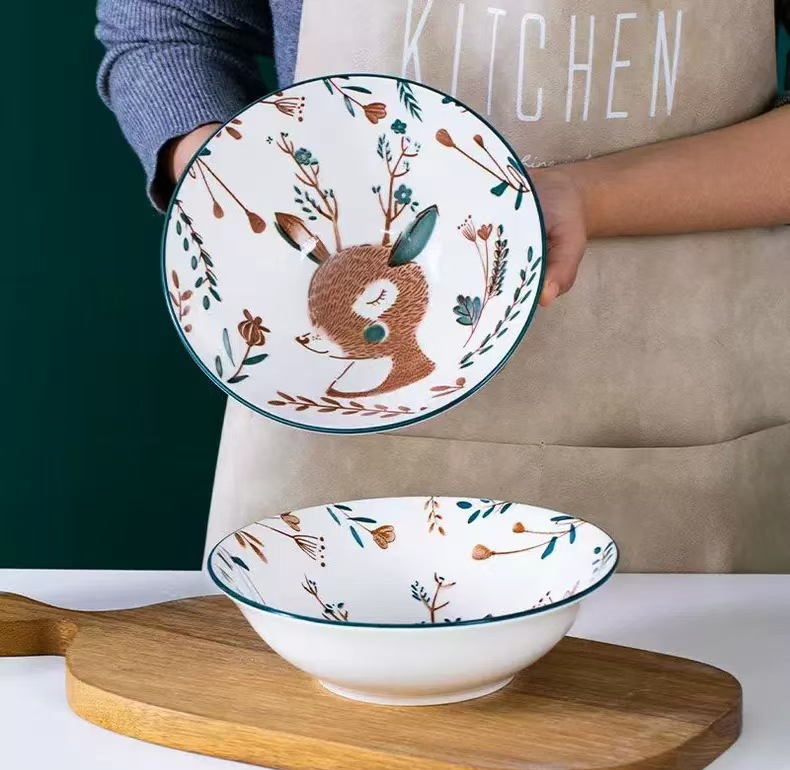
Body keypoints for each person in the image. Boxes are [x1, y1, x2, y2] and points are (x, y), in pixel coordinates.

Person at [97, 0, 790, 572]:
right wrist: (239, 187)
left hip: (687, 428)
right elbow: (167, 27)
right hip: (336, 446)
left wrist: (588, 196)